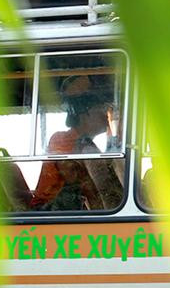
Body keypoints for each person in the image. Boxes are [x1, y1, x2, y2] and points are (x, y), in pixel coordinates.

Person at [30, 75, 124, 211]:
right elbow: (85, 183)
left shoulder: (87, 145)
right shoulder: (63, 140)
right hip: (52, 213)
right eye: (103, 108)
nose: (106, 115)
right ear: (84, 111)